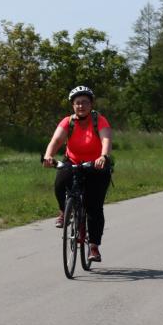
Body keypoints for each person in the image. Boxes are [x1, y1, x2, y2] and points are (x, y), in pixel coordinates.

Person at [42, 85, 113, 263]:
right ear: (73, 105)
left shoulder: (99, 120)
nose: (81, 106)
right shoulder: (68, 122)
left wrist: (103, 156)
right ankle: (63, 211)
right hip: (73, 161)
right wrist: (49, 156)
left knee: (94, 207)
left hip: (96, 165)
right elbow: (56, 140)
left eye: (85, 102)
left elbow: (106, 139)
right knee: (60, 184)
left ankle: (94, 247)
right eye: (78, 103)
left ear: (91, 104)